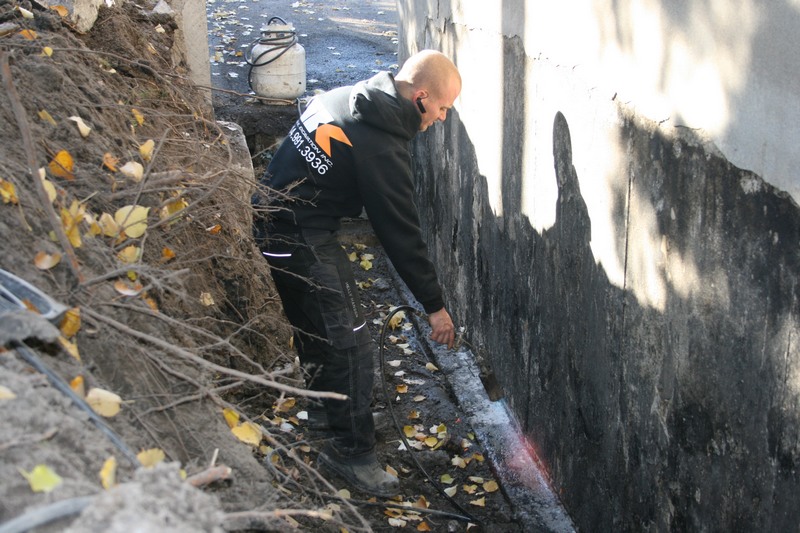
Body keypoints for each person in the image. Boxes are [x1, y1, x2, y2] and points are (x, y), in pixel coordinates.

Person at [251, 49, 461, 497]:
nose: (442, 118)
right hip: (294, 232)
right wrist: (435, 306)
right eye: (443, 108)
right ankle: (351, 453)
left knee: (323, 330)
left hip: (278, 220)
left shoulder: (353, 97)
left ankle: (332, 417)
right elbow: (400, 232)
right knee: (349, 337)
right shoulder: (380, 143)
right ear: (421, 97)